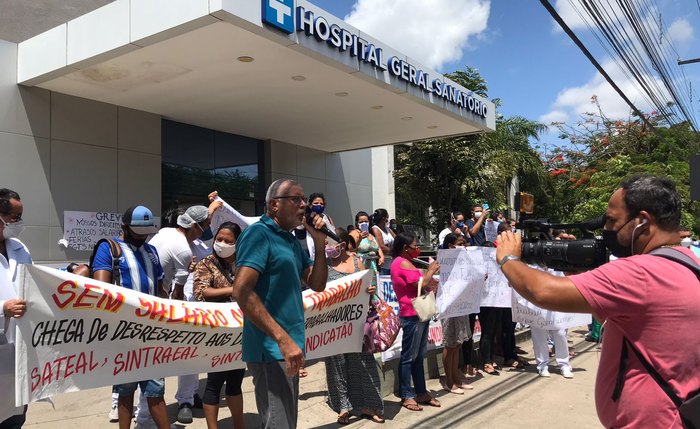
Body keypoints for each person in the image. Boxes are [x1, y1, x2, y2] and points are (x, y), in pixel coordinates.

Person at [495, 175, 700, 428]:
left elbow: (542, 292)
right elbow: (625, 321)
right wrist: (580, 273)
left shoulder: (640, 272)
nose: (607, 229)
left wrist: (508, 259)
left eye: (612, 220)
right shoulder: (689, 262)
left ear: (643, 222)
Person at [231, 179, 328, 429]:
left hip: (288, 346)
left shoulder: (290, 240)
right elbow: (241, 291)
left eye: (304, 199)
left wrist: (318, 242)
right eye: (296, 199)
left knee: (285, 422)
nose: (304, 205)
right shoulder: (259, 234)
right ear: (274, 204)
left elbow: (316, 284)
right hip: (272, 349)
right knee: (278, 424)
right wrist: (282, 339)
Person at [92, 205, 173, 429]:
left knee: (156, 389)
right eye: (138, 232)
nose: (142, 237)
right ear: (124, 227)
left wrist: (174, 313)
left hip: (151, 332)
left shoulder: (151, 252)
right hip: (123, 334)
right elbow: (100, 288)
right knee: (125, 390)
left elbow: (159, 288)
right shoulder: (109, 249)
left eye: (146, 232)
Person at [149, 204, 219, 424]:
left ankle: (186, 399)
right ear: (195, 226)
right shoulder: (174, 242)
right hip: (167, 306)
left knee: (192, 354)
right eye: (206, 224)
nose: (208, 228)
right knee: (152, 360)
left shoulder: (199, 247)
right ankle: (143, 411)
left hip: (192, 307)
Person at [323, 228, 384, 425]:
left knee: (364, 364)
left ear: (340, 244)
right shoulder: (323, 266)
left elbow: (369, 284)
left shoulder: (358, 261)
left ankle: (369, 405)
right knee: (337, 366)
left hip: (358, 324)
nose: (326, 247)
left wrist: (369, 290)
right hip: (333, 326)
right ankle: (343, 407)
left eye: (328, 243)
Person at [193, 222, 246, 429]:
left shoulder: (245, 263)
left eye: (228, 240)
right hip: (216, 333)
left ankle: (239, 425)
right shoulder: (207, 263)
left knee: (235, 382)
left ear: (237, 243)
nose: (222, 243)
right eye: (219, 239)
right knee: (214, 383)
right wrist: (234, 290)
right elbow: (202, 292)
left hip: (240, 332)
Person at [391, 231, 441, 411]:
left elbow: (424, 283)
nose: (417, 249)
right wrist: (431, 271)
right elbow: (420, 284)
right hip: (411, 313)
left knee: (419, 356)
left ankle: (421, 392)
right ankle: (406, 394)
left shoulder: (408, 262)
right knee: (408, 356)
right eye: (414, 246)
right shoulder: (401, 263)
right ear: (405, 248)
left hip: (420, 312)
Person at [0, 189, 31, 428]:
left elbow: (33, 286)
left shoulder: (19, 248)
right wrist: (3, 308)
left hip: (18, 352)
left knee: (15, 418)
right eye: (13, 216)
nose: (17, 223)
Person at [440, 233, 473, 394]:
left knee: (458, 343)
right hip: (448, 306)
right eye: (460, 244)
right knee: (450, 343)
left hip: (461, 305)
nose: (463, 246)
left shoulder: (464, 262)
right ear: (450, 246)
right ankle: (449, 381)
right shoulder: (444, 261)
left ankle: (456, 377)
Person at [349, 211, 384, 282]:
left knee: (374, 287)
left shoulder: (371, 235)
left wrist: (381, 256)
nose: (364, 223)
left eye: (366, 221)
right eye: (361, 222)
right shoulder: (354, 233)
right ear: (357, 223)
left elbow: (378, 247)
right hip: (361, 265)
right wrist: (359, 238)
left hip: (373, 266)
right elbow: (350, 248)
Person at [371, 208, 395, 275]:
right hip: (382, 265)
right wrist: (394, 252)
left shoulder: (388, 229)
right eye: (387, 217)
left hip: (391, 262)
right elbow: (381, 246)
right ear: (383, 218)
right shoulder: (375, 229)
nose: (388, 219)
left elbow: (397, 239)